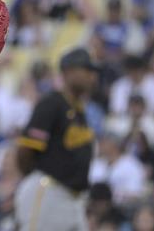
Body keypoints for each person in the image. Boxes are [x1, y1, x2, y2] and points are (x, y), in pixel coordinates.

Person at [14, 47, 98, 231]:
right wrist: (36, 178)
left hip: (74, 198)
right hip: (49, 190)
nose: (92, 76)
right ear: (69, 72)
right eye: (87, 70)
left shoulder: (79, 111)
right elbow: (25, 150)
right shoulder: (52, 103)